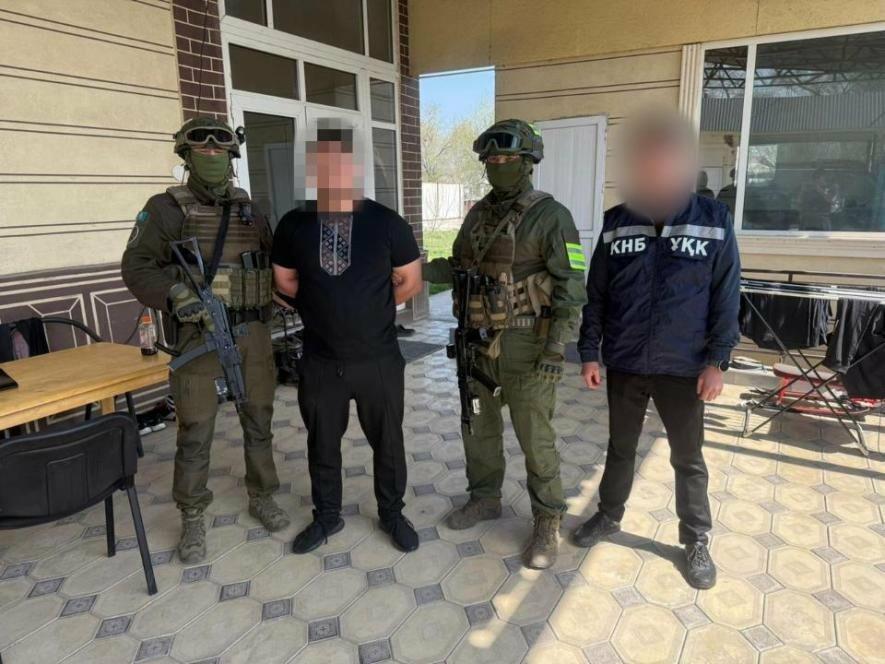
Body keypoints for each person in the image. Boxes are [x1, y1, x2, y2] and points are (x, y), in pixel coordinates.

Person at [574, 110, 741, 589]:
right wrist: (590, 352)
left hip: (684, 367)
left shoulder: (713, 220)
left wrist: (717, 361)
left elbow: (727, 295)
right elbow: (597, 294)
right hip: (626, 361)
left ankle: (696, 540)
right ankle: (609, 515)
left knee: (688, 458)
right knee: (620, 448)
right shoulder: (616, 222)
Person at [121, 117, 289, 564]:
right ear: (186, 155)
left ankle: (262, 495)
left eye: (220, 149)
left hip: (252, 332)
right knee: (195, 428)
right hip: (198, 335)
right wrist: (175, 294)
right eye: (203, 149)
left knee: (259, 418)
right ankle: (192, 514)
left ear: (232, 157)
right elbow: (136, 266)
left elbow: (271, 262)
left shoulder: (250, 209)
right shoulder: (164, 209)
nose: (212, 154)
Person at [423, 119, 587, 569]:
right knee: (478, 428)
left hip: (527, 347)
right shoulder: (478, 215)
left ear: (528, 162)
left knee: (536, 438)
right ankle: (484, 498)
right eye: (492, 159)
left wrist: (555, 350)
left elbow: (572, 285)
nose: (498, 165)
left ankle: (548, 518)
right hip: (475, 344)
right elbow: (459, 266)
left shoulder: (552, 216)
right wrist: (415, 270)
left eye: (508, 158)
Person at [272, 120, 423, 554]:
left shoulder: (387, 222)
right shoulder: (293, 224)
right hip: (321, 360)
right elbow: (284, 280)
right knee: (322, 444)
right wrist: (324, 305)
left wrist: (368, 308)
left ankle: (392, 513)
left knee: (388, 443)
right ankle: (327, 516)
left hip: (378, 358)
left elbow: (410, 281)